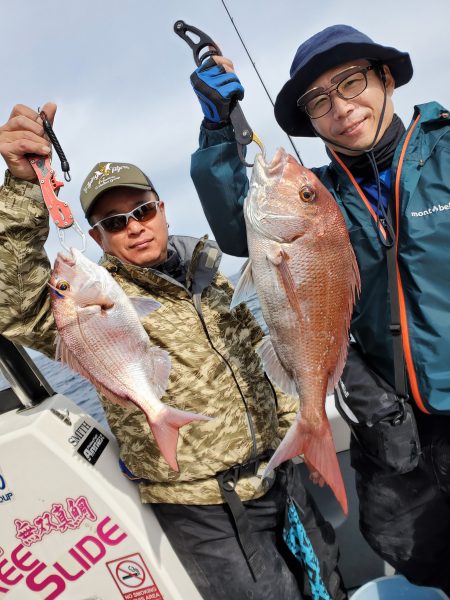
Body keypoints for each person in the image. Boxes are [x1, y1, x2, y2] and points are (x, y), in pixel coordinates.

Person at [0, 102, 347, 600]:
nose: (135, 226)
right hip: (203, 510)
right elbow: (12, 303)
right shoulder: (88, 300)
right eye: (115, 222)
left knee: (327, 586)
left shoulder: (210, 276)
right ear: (96, 236)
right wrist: (21, 189)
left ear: (162, 209)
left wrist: (301, 426)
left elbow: (265, 358)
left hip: (278, 476)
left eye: (142, 210)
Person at [189, 24, 450, 593]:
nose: (341, 107)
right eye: (319, 101)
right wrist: (217, 131)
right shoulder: (324, 197)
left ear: (385, 77)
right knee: (419, 551)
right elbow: (243, 227)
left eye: (351, 81)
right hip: (389, 426)